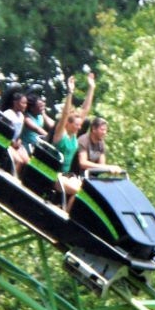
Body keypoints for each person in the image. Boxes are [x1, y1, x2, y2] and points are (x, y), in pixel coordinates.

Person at [51, 72, 96, 210]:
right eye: (77, 125)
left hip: (68, 176)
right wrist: (69, 92)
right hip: (55, 175)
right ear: (68, 124)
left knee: (90, 194)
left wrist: (91, 88)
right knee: (80, 193)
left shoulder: (73, 135)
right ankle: (65, 215)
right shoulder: (60, 134)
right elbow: (65, 114)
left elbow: (85, 109)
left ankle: (68, 212)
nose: (80, 127)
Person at [1, 91, 31, 172]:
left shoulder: (21, 116)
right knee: (19, 162)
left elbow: (18, 134)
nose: (25, 105)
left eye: (26, 103)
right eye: (23, 103)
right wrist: (11, 143)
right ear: (15, 102)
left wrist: (19, 140)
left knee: (28, 162)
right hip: (6, 143)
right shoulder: (8, 114)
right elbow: (2, 132)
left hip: (16, 144)